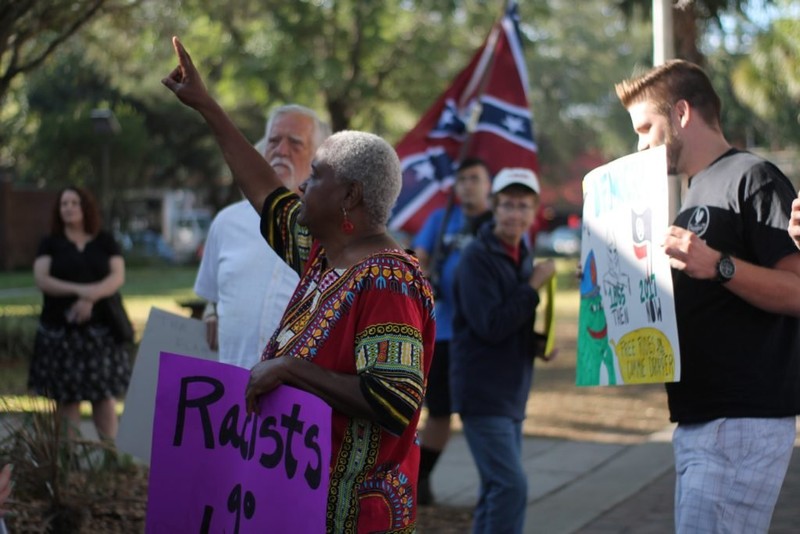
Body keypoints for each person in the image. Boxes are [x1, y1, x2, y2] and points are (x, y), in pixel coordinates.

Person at [162, 37, 435, 532]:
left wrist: (288, 368)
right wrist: (206, 105)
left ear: (349, 196)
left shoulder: (389, 281)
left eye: (317, 176)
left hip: (353, 517)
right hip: (300, 501)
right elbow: (262, 189)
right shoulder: (323, 257)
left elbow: (393, 400)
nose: (303, 186)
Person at [615, 59, 800, 533]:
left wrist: (718, 264)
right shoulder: (697, 191)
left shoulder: (753, 176)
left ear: (680, 114)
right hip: (703, 418)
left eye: (645, 127)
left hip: (740, 418)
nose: (640, 144)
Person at [450, 168, 556, 534]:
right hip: (483, 393)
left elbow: (512, 322)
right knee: (511, 487)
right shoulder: (477, 258)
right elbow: (491, 325)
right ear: (494, 207)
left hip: (512, 392)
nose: (515, 214)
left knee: (495, 488)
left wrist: (540, 344)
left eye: (523, 206)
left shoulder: (519, 253)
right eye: (507, 205)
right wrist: (533, 286)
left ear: (534, 211)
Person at [193, 104, 329, 368]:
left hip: (300, 395)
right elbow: (214, 294)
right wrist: (212, 309)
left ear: (320, 157)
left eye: (295, 143)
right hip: (232, 390)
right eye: (274, 141)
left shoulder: (332, 227)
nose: (281, 151)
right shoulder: (227, 222)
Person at [411, 157, 493, 505]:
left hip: (482, 334)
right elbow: (419, 255)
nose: (468, 185)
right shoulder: (441, 218)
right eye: (462, 180)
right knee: (440, 411)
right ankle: (420, 478)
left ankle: (492, 484)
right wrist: (426, 271)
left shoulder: (498, 222)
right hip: (443, 331)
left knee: (484, 412)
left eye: (475, 178)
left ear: (488, 184)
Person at [28, 186, 132, 441]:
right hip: (61, 335)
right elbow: (42, 279)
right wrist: (81, 290)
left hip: (100, 335)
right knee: (67, 399)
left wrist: (90, 298)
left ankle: (110, 458)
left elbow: (117, 276)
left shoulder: (104, 240)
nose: (69, 208)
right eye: (64, 204)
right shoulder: (50, 243)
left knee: (103, 397)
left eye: (74, 203)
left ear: (85, 207)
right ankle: (69, 460)